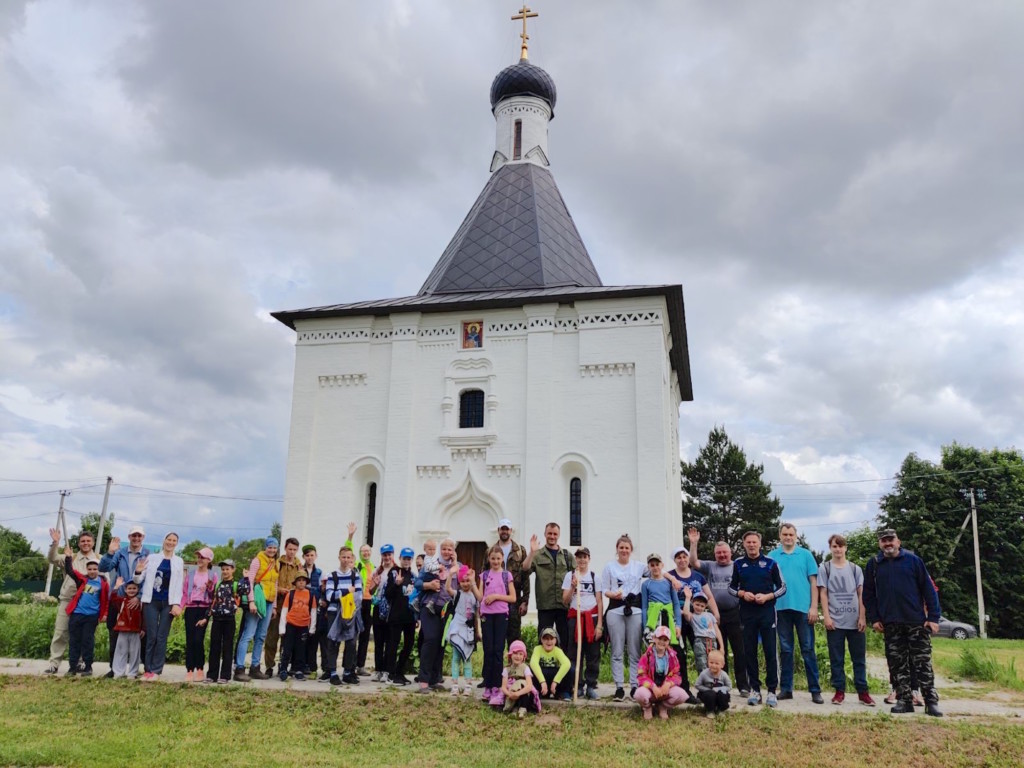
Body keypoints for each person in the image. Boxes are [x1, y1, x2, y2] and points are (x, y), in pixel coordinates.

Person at [863, 528, 942, 717]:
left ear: (898, 541)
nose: (888, 543)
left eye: (891, 540)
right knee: (897, 664)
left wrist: (933, 617)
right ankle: (904, 700)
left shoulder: (913, 561)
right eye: (884, 541)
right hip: (890, 624)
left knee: (922, 663)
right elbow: (868, 594)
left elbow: (928, 590)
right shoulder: (874, 565)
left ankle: (931, 702)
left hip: (916, 622)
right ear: (879, 544)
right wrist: (875, 618)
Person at [728, 530, 786, 707]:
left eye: (754, 542)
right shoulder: (738, 564)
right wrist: (742, 593)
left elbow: (783, 587)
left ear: (760, 544)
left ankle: (771, 691)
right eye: (748, 542)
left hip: (767, 613)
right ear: (744, 544)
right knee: (749, 652)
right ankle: (755, 689)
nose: (751, 545)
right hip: (746, 613)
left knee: (770, 651)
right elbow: (730, 588)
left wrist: (768, 596)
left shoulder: (771, 563)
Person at [767, 523, 823, 704]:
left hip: (803, 609)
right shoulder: (773, 556)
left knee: (808, 649)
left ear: (796, 536)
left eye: (791, 534)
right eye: (785, 534)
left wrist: (814, 607)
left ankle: (815, 690)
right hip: (781, 609)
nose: (788, 537)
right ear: (780, 536)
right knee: (786, 650)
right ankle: (786, 689)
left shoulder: (806, 555)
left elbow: (814, 583)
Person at [688, 527, 749, 695]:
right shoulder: (710, 566)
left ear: (731, 553)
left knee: (739, 650)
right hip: (714, 615)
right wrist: (693, 544)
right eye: (719, 553)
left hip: (735, 612)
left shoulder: (737, 566)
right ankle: (723, 685)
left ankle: (743, 685)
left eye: (725, 553)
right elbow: (693, 563)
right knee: (719, 651)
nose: (722, 555)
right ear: (715, 555)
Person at [819, 533, 874, 706]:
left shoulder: (855, 569)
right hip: (835, 622)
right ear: (830, 548)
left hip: (854, 621)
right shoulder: (825, 568)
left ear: (845, 548)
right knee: (837, 659)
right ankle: (839, 692)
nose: (838, 549)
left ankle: (863, 693)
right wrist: (826, 617)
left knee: (859, 659)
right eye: (834, 546)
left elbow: (861, 594)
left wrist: (862, 617)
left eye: (840, 546)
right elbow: (823, 593)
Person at [43, 527, 100, 675]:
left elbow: (104, 583)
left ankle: (81, 663)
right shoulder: (70, 557)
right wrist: (55, 543)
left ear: (93, 543)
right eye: (82, 541)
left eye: (88, 541)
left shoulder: (98, 560)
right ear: (79, 543)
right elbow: (52, 558)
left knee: (84, 635)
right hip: (68, 600)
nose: (85, 543)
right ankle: (54, 663)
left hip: (87, 604)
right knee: (61, 632)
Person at [667, 544, 718, 700]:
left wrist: (716, 614)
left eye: (684, 557)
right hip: (678, 620)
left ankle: (705, 689)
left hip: (698, 621)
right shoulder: (670, 575)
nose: (682, 560)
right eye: (679, 557)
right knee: (680, 655)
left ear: (688, 558)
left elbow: (708, 596)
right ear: (675, 560)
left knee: (701, 655)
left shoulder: (697, 576)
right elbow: (661, 580)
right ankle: (685, 690)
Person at [600, 533, 645, 702]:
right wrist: (613, 594)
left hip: (635, 609)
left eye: (627, 548)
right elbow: (605, 588)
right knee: (617, 650)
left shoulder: (639, 566)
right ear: (617, 550)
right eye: (621, 548)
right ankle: (619, 687)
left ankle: (635, 686)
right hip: (615, 609)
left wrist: (672, 579)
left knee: (634, 650)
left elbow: (657, 570)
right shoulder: (609, 567)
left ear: (631, 550)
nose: (624, 550)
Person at [98, 524, 147, 677]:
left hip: (136, 602)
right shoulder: (119, 553)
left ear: (143, 538)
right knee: (114, 633)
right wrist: (109, 553)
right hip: (118, 599)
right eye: (134, 536)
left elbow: (148, 579)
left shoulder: (147, 555)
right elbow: (104, 567)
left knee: (139, 635)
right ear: (129, 537)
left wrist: (139, 598)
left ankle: (138, 669)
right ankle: (114, 669)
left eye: (139, 536)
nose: (136, 538)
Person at [137, 532, 184, 681]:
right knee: (151, 635)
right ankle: (148, 669)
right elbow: (138, 580)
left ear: (176, 543)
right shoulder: (152, 558)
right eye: (168, 539)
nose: (170, 542)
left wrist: (177, 603)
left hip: (168, 603)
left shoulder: (179, 561)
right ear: (163, 541)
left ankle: (156, 671)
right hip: (151, 601)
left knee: (161, 636)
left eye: (174, 540)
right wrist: (138, 571)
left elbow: (179, 585)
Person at [234, 537, 280, 681]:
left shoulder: (276, 563)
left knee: (260, 636)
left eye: (274, 547)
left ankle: (255, 667)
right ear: (265, 547)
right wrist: (252, 601)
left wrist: (274, 606)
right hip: (256, 602)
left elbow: (276, 584)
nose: (272, 550)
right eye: (269, 547)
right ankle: (239, 668)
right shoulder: (257, 560)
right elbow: (250, 581)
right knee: (248, 634)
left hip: (268, 602)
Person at [522, 522, 575, 646]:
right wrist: (531, 552)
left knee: (564, 640)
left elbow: (577, 575)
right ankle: (544, 665)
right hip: (545, 605)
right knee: (544, 639)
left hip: (563, 605)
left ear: (559, 535)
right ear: (545, 534)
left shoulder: (567, 556)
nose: (552, 536)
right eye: (549, 533)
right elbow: (525, 569)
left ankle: (563, 665)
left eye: (555, 534)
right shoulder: (538, 554)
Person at [417, 538, 459, 691]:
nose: (447, 552)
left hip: (446, 610)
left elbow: (463, 584)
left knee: (441, 643)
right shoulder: (431, 564)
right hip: (430, 607)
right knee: (430, 639)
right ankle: (423, 680)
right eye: (444, 549)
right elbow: (417, 583)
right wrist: (428, 585)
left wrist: (455, 566)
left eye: (450, 549)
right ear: (440, 550)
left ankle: (435, 678)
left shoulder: (458, 567)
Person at [562, 546, 603, 700]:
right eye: (579, 557)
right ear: (576, 559)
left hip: (591, 618)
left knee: (593, 653)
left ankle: (591, 685)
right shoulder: (570, 575)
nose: (581, 560)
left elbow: (599, 601)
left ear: (589, 559)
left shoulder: (594, 577)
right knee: (574, 653)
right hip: (575, 617)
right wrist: (573, 585)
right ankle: (577, 685)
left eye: (584, 557)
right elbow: (565, 600)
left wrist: (599, 624)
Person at [477, 544, 516, 703]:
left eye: (498, 558)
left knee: (498, 650)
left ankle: (497, 686)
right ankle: (487, 684)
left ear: (502, 559)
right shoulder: (484, 575)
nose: (495, 561)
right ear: (489, 559)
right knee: (488, 649)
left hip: (501, 614)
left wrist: (496, 596)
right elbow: (480, 597)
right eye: (492, 558)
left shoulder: (507, 575)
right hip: (486, 614)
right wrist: (472, 584)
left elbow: (512, 598)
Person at [62, 546, 109, 676]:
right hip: (77, 614)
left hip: (91, 616)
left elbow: (106, 601)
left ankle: (88, 667)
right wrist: (68, 558)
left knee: (87, 641)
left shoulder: (103, 583)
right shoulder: (82, 579)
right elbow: (70, 570)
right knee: (74, 641)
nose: (92, 571)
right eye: (90, 569)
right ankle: (73, 667)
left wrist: (105, 614)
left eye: (95, 569)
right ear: (86, 570)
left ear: (98, 570)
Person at [322, 545, 364, 686]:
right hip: (334, 613)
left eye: (348, 557)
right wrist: (346, 591)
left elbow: (359, 595)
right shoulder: (332, 576)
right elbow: (329, 596)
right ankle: (333, 673)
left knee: (351, 643)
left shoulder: (355, 575)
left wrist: (341, 595)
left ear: (351, 558)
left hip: (351, 613)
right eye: (343, 557)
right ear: (339, 558)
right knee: (333, 642)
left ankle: (347, 673)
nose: (346, 560)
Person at [199, 559, 244, 684]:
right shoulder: (218, 585)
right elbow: (213, 603)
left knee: (227, 647)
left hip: (229, 620)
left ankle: (225, 675)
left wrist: (246, 579)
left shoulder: (236, 585)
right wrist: (206, 618)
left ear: (233, 570)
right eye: (223, 569)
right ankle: (212, 675)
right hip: (217, 619)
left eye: (227, 569)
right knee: (214, 647)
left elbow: (246, 591)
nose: (225, 571)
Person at [264, 536, 303, 677]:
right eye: (289, 549)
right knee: (271, 638)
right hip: (277, 605)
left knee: (287, 640)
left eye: (294, 549)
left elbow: (301, 584)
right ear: (285, 548)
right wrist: (280, 589)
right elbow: (270, 582)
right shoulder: (277, 563)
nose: (292, 552)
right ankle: (269, 666)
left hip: (292, 608)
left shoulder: (299, 565)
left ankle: (283, 665)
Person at [633, 625, 688, 720]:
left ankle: (663, 706)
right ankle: (647, 707)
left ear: (669, 642)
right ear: (654, 638)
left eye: (665, 640)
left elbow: (677, 675)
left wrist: (668, 684)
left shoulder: (673, 657)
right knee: (639, 694)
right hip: (651, 690)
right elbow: (641, 676)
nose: (662, 642)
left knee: (682, 695)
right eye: (659, 638)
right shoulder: (646, 656)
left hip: (664, 690)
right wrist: (653, 687)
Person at [343, 522, 374, 676]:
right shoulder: (357, 565)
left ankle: (361, 665)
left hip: (370, 603)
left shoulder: (374, 567)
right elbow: (347, 551)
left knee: (365, 634)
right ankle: (351, 664)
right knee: (354, 634)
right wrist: (350, 536)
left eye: (368, 551)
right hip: (358, 602)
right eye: (363, 551)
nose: (366, 553)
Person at [181, 547, 216, 683]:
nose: (200, 560)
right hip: (190, 609)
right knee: (190, 640)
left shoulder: (212, 575)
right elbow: (185, 593)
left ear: (209, 560)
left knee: (198, 639)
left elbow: (214, 596)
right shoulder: (190, 575)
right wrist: (180, 606)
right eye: (199, 557)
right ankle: (189, 669)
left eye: (203, 557)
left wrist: (210, 588)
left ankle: (200, 668)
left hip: (203, 609)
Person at [492, 519, 530, 645]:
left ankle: (514, 664)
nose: (504, 531)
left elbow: (525, 576)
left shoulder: (519, 550)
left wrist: (525, 601)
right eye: (502, 529)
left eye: (507, 529)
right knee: (497, 639)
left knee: (514, 638)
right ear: (498, 530)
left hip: (514, 600)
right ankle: (498, 665)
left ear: (511, 531)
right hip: (495, 601)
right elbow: (484, 575)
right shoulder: (491, 551)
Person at [384, 548, 417, 686]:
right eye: (404, 558)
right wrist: (396, 585)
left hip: (409, 616)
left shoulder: (414, 576)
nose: (406, 561)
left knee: (409, 644)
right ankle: (390, 674)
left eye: (409, 559)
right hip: (396, 616)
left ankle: (399, 671)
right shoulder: (393, 573)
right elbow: (388, 594)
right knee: (393, 644)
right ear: (400, 558)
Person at [447, 564, 480, 696]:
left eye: (467, 581)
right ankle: (454, 684)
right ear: (459, 582)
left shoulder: (474, 596)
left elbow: (476, 615)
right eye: (463, 581)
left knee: (467, 658)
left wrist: (478, 632)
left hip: (469, 631)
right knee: (455, 658)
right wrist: (450, 575)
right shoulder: (457, 594)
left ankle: (468, 684)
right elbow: (448, 588)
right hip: (457, 629)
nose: (465, 584)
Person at [278, 573, 316, 680]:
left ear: (306, 582)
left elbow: (313, 612)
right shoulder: (290, 594)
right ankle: (283, 669)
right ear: (295, 583)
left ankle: (299, 670)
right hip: (291, 624)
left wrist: (312, 627)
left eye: (303, 580)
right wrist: (282, 628)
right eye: (299, 580)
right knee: (287, 648)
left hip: (303, 625)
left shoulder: (310, 595)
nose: (301, 582)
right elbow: (285, 611)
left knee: (301, 649)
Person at [367, 543, 395, 682]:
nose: (387, 557)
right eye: (385, 554)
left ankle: (386, 670)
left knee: (390, 641)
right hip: (378, 608)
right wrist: (376, 584)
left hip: (392, 609)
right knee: (379, 641)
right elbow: (370, 591)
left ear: (393, 555)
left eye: (389, 554)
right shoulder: (377, 571)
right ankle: (378, 670)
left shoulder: (397, 571)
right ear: (382, 556)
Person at [640, 553, 681, 647]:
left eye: (657, 564)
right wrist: (646, 626)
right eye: (652, 565)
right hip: (654, 620)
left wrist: (678, 625)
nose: (655, 567)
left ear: (662, 565)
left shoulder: (669, 583)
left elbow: (676, 604)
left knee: (671, 648)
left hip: (669, 618)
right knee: (655, 647)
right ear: (649, 567)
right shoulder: (646, 584)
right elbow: (645, 607)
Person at [496, 640, 540, 718]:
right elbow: (503, 686)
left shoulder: (525, 668)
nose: (518, 656)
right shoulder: (506, 669)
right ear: (510, 655)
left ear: (523, 657)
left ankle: (523, 708)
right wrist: (510, 694)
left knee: (522, 684)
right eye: (515, 653)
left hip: (523, 691)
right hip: (511, 691)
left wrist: (518, 693)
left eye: (520, 654)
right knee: (509, 691)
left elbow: (529, 685)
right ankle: (514, 708)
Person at [683, 589, 723, 673]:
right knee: (701, 662)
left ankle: (713, 682)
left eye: (702, 606)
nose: (699, 607)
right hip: (699, 640)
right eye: (697, 604)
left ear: (705, 606)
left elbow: (717, 631)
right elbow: (686, 613)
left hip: (712, 640)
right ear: (692, 603)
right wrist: (687, 598)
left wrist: (721, 646)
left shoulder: (710, 615)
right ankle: (704, 682)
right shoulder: (692, 616)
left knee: (713, 662)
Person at [110, 579, 143, 679]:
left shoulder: (141, 603)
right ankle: (119, 672)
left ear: (138, 590)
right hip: (122, 629)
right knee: (120, 651)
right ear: (125, 590)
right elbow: (113, 599)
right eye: (129, 588)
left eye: (134, 588)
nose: (131, 590)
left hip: (135, 630)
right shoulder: (122, 601)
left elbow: (144, 616)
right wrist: (116, 587)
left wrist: (143, 629)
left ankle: (133, 672)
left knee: (135, 652)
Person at [530, 627, 572, 701]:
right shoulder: (537, 649)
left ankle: (563, 692)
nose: (549, 641)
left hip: (555, 681)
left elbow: (567, 664)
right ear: (542, 640)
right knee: (530, 670)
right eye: (546, 638)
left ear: (555, 640)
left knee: (570, 670)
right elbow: (533, 663)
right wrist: (542, 682)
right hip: (542, 680)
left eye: (551, 639)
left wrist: (555, 682)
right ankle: (538, 692)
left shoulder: (558, 650)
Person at [300, 544, 322, 676]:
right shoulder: (299, 570)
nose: (309, 558)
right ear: (303, 556)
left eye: (312, 555)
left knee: (313, 635)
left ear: (316, 556)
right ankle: (300, 664)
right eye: (307, 555)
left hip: (314, 607)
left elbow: (321, 589)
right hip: (301, 607)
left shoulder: (319, 572)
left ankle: (311, 664)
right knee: (301, 637)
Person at [694, 649, 732, 717]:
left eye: (717, 663)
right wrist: (708, 690)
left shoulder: (724, 675)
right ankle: (710, 710)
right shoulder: (704, 673)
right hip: (708, 693)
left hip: (719, 693)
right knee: (710, 694)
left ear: (722, 665)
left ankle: (721, 709)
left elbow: (729, 686)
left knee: (723, 694)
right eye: (711, 662)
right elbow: (697, 685)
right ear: (707, 662)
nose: (714, 665)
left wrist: (719, 689)